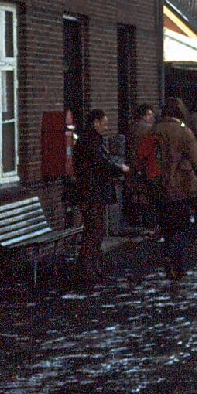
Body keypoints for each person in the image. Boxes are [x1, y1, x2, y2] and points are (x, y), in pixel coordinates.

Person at [71, 109, 130, 283]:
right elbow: (101, 163)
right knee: (94, 230)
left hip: (92, 191)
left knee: (95, 230)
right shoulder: (92, 142)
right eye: (103, 123)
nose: (105, 127)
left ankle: (91, 267)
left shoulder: (89, 140)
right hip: (92, 192)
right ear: (95, 123)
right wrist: (119, 168)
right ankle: (87, 269)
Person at [153, 98, 197, 280]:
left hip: (158, 186)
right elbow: (196, 160)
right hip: (181, 186)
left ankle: (167, 257)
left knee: (166, 227)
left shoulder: (154, 130)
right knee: (181, 227)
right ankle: (178, 265)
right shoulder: (184, 131)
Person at [123, 103, 157, 234]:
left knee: (135, 193)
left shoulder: (131, 128)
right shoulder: (148, 130)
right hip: (145, 166)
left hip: (133, 166)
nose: (151, 117)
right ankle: (147, 221)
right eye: (149, 114)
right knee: (146, 194)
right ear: (144, 115)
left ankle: (134, 218)